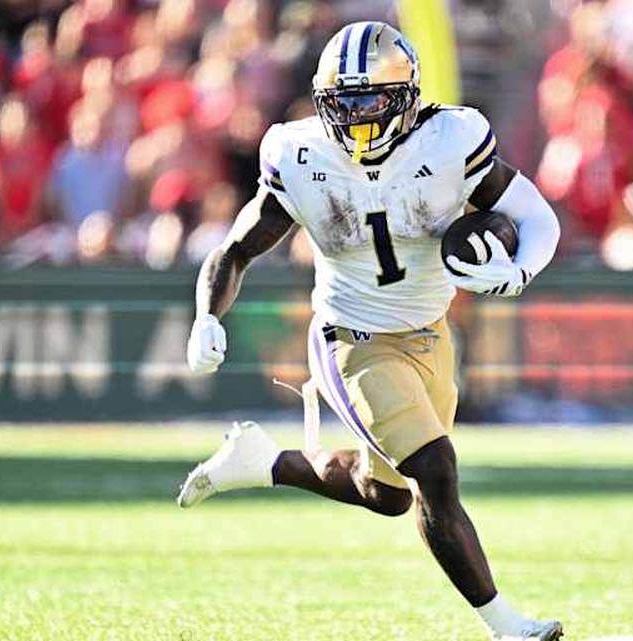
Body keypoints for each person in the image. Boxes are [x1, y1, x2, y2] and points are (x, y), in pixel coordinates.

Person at [175, 22, 562, 641]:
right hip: (349, 337)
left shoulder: (451, 138)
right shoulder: (300, 154)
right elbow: (236, 248)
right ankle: (506, 625)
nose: (356, 119)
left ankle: (261, 462)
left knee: (387, 495)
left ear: (406, 96)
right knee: (435, 470)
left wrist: (514, 271)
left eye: (370, 101)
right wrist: (207, 314)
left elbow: (534, 214)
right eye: (343, 103)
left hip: (429, 333)